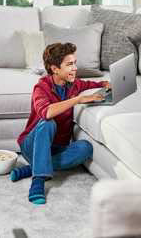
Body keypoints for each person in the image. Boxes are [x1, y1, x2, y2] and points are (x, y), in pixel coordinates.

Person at [10, 42, 110, 205]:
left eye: (75, 63)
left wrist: (105, 85)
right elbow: (46, 112)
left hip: (57, 147)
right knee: (48, 123)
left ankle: (31, 169)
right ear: (55, 69)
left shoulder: (74, 84)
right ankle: (38, 181)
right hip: (32, 145)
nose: (75, 68)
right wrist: (77, 99)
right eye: (69, 64)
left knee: (85, 148)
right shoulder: (41, 88)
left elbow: (91, 84)